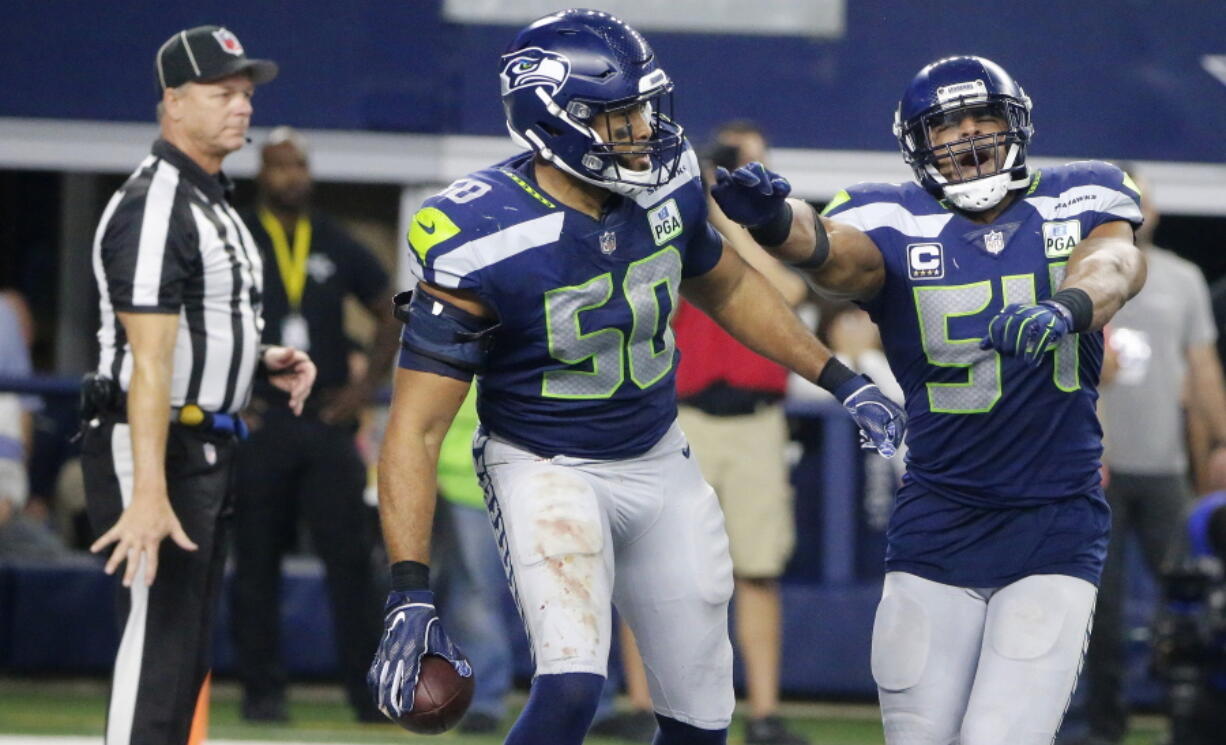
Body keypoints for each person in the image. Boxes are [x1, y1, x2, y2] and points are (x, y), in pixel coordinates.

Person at [367, 9, 905, 745]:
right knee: (572, 684)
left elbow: (727, 285)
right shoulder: (478, 232)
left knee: (702, 720)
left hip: (658, 455)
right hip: (544, 461)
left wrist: (841, 377)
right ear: (553, 122)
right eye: (618, 116)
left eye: (643, 109)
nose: (643, 129)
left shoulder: (669, 180)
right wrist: (408, 589)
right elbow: (417, 425)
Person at [711, 55, 1146, 745]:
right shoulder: (888, 214)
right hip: (937, 522)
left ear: (1017, 126)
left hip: (1053, 522)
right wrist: (772, 224)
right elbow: (834, 252)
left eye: (983, 117)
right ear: (917, 143)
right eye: (946, 124)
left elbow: (1116, 263)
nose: (969, 135)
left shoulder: (1082, 192)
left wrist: (1068, 305)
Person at [81, 26, 315, 745]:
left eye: (246, 93)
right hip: (157, 447)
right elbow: (147, 360)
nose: (242, 107)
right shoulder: (156, 205)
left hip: (201, 442)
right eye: (222, 93)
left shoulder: (213, 201)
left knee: (183, 660)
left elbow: (194, 326)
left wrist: (256, 356)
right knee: (156, 658)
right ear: (173, 105)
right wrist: (148, 490)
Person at [231, 126, 399, 723]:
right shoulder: (239, 237)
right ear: (261, 175)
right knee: (254, 562)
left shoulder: (332, 238)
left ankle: (366, 694)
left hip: (326, 418)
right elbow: (205, 316)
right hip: (261, 419)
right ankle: (262, 693)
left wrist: (362, 390)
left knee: (351, 562)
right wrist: (233, 394)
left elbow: (390, 308)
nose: (291, 176)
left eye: (299, 165)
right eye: (279, 167)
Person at [1073, 171, 1226, 745]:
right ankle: (1102, 728)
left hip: (1164, 466)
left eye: (1145, 200)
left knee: (1196, 596)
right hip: (1098, 467)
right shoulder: (1078, 273)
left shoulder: (1184, 279)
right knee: (1100, 611)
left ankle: (1193, 723)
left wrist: (1219, 444)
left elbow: (1203, 367)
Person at [673, 120, 810, 745]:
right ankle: (654, 703)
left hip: (755, 421)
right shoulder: (676, 226)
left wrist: (734, 221)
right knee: (670, 571)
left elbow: (788, 293)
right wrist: (694, 205)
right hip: (686, 416)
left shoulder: (773, 229)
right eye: (726, 162)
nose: (736, 171)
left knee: (757, 569)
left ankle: (765, 712)